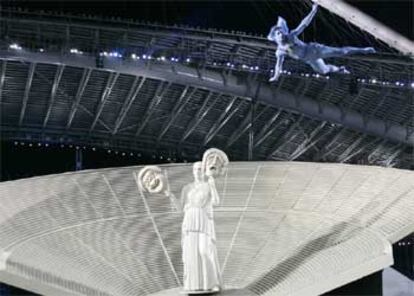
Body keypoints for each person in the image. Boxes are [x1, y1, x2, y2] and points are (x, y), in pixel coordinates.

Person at [267, 3, 375, 82]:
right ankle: (340, 69)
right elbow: (278, 66)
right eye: (278, 34)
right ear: (275, 38)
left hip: (314, 50)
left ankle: (364, 50)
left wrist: (313, 11)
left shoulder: (291, 36)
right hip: (309, 59)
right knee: (324, 71)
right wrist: (276, 76)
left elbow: (303, 24)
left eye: (281, 32)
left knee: (341, 52)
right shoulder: (280, 52)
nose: (281, 35)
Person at [179, 161, 222, 292]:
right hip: (189, 221)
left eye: (200, 169)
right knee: (190, 254)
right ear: (192, 171)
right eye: (196, 169)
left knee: (204, 251)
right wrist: (169, 194)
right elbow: (180, 208)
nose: (198, 171)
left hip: (203, 220)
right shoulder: (187, 188)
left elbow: (216, 202)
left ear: (204, 171)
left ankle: (211, 283)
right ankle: (193, 285)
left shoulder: (208, 186)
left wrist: (213, 186)